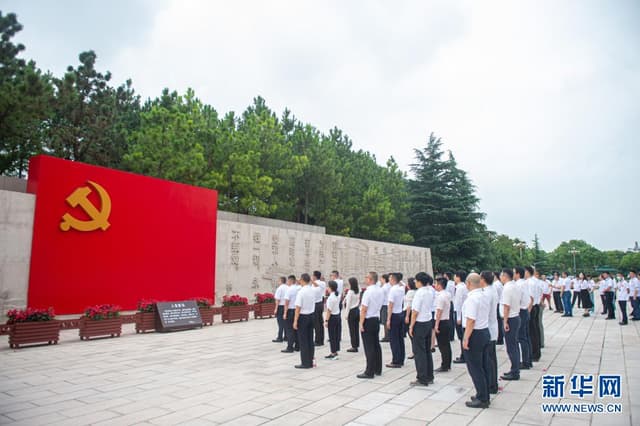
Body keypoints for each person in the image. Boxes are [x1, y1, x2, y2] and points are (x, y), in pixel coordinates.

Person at [461, 272, 491, 408]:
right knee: (483, 365)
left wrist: (466, 338)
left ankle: (482, 398)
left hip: (475, 334)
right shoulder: (484, 295)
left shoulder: (472, 298)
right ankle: (483, 394)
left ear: (468, 283)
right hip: (484, 331)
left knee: (475, 367)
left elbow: (471, 320)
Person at [408, 272, 435, 386]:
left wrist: (411, 325)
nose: (415, 282)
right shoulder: (430, 290)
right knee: (427, 350)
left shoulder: (420, 293)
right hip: (428, 321)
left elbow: (415, 311)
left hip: (419, 323)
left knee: (419, 352)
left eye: (416, 280)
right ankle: (429, 375)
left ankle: (422, 377)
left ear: (419, 281)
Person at [358, 272, 384, 379]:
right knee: (376, 345)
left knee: (369, 346)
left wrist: (361, 323)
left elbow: (364, 309)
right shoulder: (380, 290)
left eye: (366, 277)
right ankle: (378, 368)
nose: (365, 279)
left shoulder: (368, 292)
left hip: (368, 319)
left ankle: (369, 371)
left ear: (370, 279)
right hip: (376, 318)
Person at [499, 268, 522, 381]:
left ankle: (515, 371)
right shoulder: (515, 286)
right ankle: (515, 369)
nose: (500, 278)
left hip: (510, 319)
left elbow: (506, 306)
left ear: (505, 276)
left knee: (511, 347)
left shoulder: (507, 288)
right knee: (514, 345)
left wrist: (505, 322)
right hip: (515, 317)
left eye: (501, 275)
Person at [480, 271, 499, 394]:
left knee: (489, 359)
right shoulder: (492, 290)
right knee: (491, 358)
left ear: (483, 279)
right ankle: (493, 383)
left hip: (488, 328)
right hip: (492, 326)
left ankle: (491, 384)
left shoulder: (487, 293)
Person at [293, 273, 316, 369]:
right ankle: (310, 361)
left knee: (303, 341)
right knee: (310, 339)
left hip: (303, 317)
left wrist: (295, 321)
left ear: (302, 280)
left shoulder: (301, 292)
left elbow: (298, 307)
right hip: (311, 316)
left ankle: (305, 363)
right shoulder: (312, 290)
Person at [386, 272, 406, 368]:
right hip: (400, 314)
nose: (389, 280)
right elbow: (403, 284)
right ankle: (401, 358)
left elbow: (390, 305)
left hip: (394, 315)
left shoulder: (393, 290)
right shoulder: (401, 288)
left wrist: (388, 319)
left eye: (390, 278)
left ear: (393, 279)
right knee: (399, 338)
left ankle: (396, 360)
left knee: (394, 339)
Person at [515, 267, 533, 369]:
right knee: (526, 337)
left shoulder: (518, 285)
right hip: (525, 310)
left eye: (514, 272)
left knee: (521, 337)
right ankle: (528, 360)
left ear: (517, 274)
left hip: (520, 311)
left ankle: (525, 361)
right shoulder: (525, 283)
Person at [434, 277, 452, 372]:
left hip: (441, 321)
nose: (435, 285)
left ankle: (444, 365)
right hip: (446, 320)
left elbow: (439, 311)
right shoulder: (447, 294)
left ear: (440, 285)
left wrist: (436, 325)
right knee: (446, 344)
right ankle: (447, 363)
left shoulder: (440, 296)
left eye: (436, 284)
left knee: (442, 345)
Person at [525, 267, 541, 363]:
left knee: (532, 332)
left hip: (531, 308)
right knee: (535, 331)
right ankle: (536, 351)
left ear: (527, 272)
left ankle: (534, 353)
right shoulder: (535, 282)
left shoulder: (530, 283)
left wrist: (528, 311)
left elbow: (530, 298)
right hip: (536, 306)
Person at [453, 270, 469, 364]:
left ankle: (464, 355)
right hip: (464, 312)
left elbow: (458, 303)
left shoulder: (460, 288)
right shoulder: (464, 287)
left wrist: (458, 317)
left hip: (460, 313)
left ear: (458, 277)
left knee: (461, 336)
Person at [282, 275, 300, 353]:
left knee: (289, 330)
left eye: (288, 281)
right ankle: (297, 346)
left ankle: (290, 347)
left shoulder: (289, 290)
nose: (287, 282)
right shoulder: (298, 288)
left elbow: (286, 303)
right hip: (297, 310)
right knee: (296, 329)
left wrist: (285, 313)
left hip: (290, 311)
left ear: (290, 281)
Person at [325, 281, 342, 360]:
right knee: (336, 335)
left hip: (332, 317)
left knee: (332, 336)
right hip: (337, 316)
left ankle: (333, 352)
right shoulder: (337, 295)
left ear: (330, 288)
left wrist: (326, 320)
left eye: (328, 287)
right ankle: (335, 350)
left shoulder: (330, 298)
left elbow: (329, 310)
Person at [344, 277, 361, 352]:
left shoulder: (350, 292)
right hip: (357, 309)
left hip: (351, 311)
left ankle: (354, 346)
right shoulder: (358, 290)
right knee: (356, 329)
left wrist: (346, 314)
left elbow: (348, 304)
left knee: (352, 329)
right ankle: (356, 344)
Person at [311, 271, 326, 346]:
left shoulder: (320, 283)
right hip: (320, 304)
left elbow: (316, 284)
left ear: (314, 276)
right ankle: (321, 339)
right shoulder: (321, 283)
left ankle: (318, 341)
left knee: (317, 323)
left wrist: (311, 281)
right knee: (320, 323)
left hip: (316, 304)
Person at [273, 276, 288, 343]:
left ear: (281, 281)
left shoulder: (279, 288)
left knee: (280, 323)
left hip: (281, 307)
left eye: (279, 280)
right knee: (285, 322)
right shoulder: (288, 287)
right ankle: (286, 337)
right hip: (287, 307)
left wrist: (276, 308)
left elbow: (277, 300)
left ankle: (280, 337)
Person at [405, 278, 417, 359]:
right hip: (414, 313)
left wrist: (406, 316)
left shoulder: (410, 292)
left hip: (409, 313)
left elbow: (409, 305)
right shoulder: (417, 291)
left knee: (411, 333)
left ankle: (414, 351)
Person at [444, 272, 456, 342]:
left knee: (448, 319)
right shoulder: (453, 283)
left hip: (448, 301)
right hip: (452, 301)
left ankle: (449, 336)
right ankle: (452, 335)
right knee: (451, 319)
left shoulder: (448, 284)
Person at [494, 272, 505, 345]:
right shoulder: (500, 284)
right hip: (500, 303)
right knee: (500, 322)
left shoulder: (495, 284)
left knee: (498, 322)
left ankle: (499, 338)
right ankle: (500, 338)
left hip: (497, 304)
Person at [380, 274, 391, 342]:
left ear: (384, 279)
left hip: (384, 305)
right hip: (388, 304)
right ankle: (388, 335)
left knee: (385, 321)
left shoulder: (384, 287)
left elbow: (381, 297)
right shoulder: (389, 286)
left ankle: (387, 336)